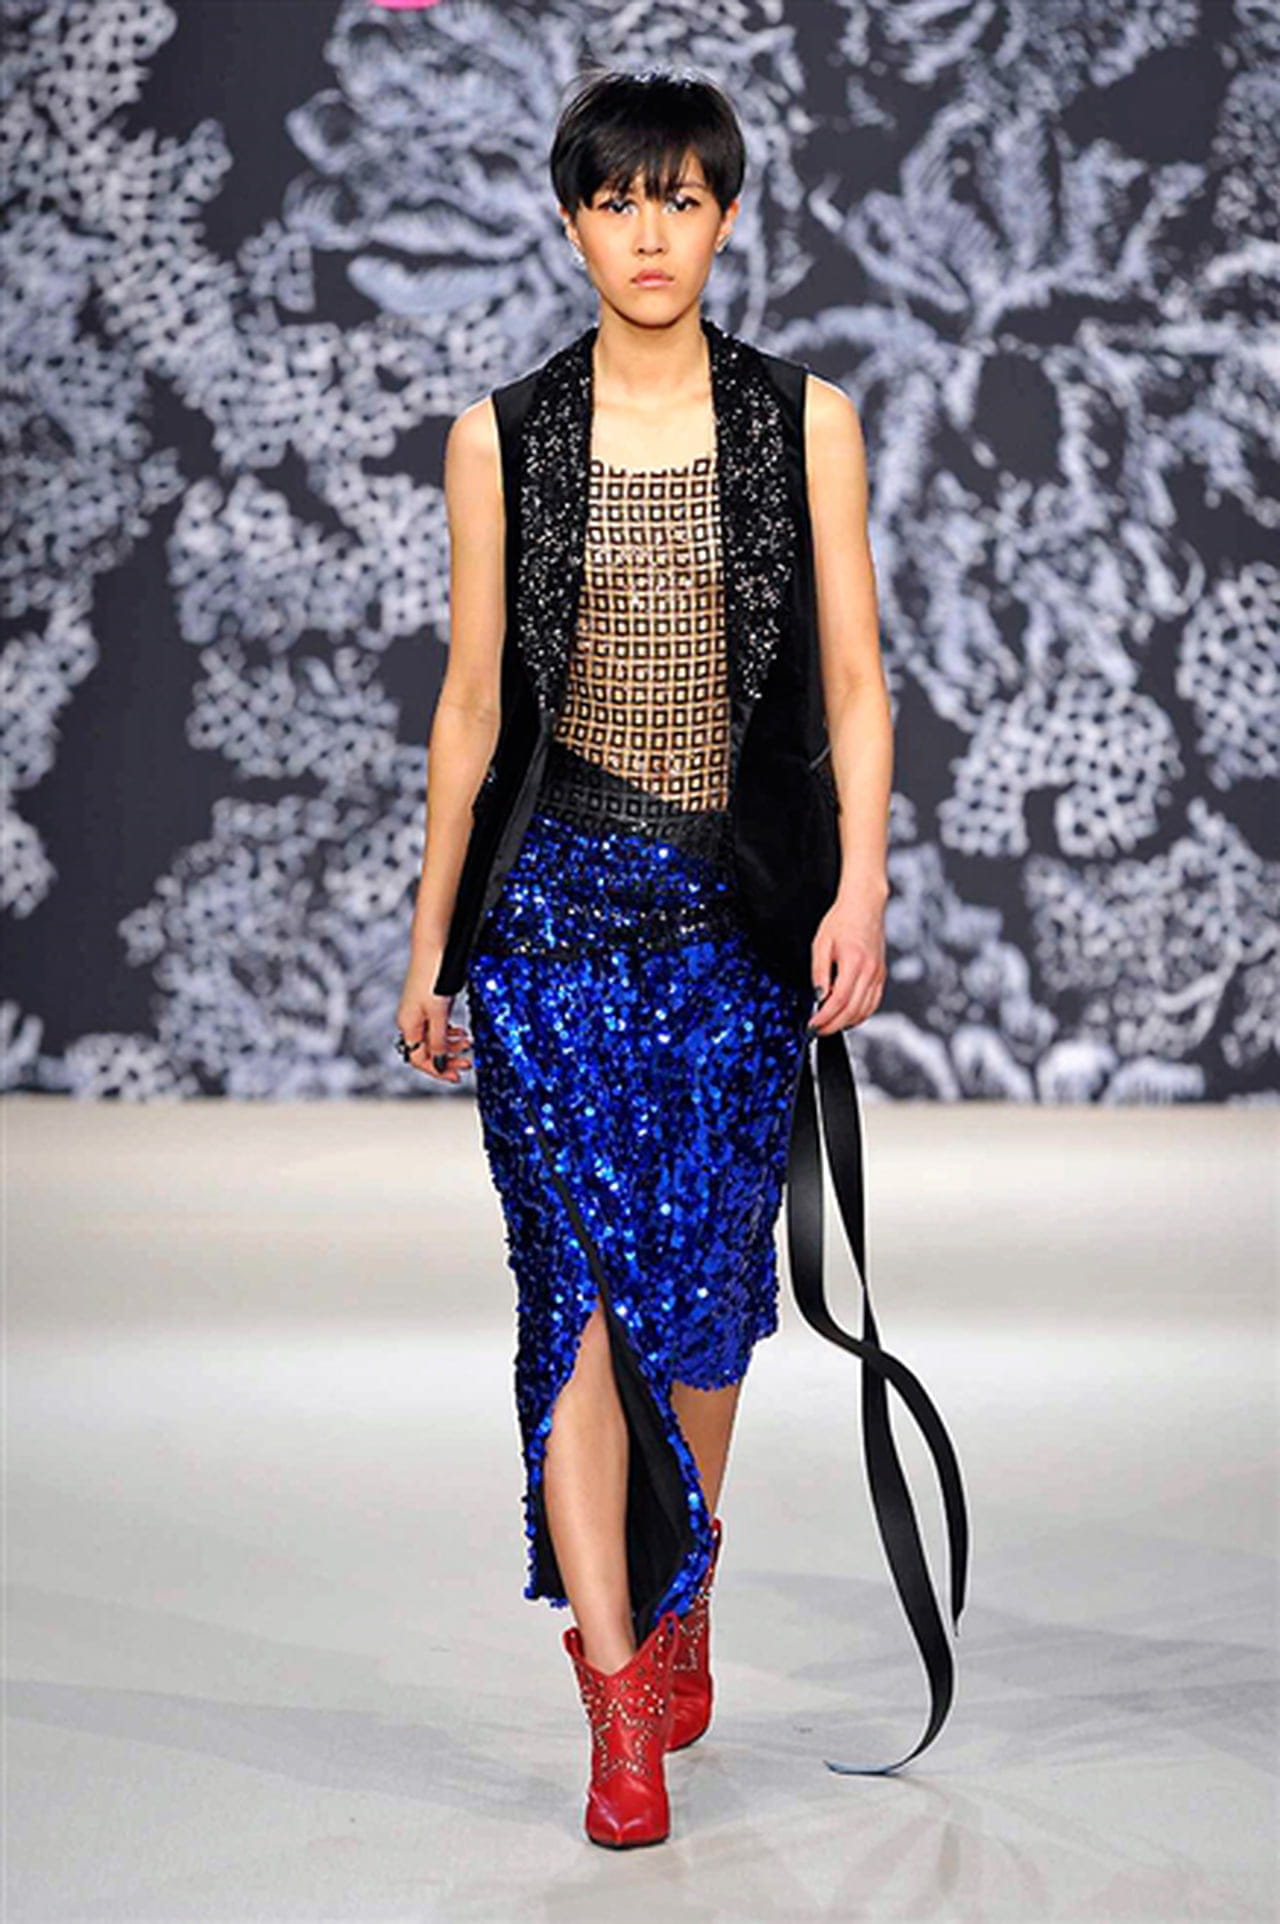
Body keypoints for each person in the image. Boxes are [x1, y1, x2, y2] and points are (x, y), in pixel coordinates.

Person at [395, 67, 892, 1849]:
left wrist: (861, 887)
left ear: (728, 217)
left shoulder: (805, 423)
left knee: (703, 1303)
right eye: (619, 202)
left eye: (682, 199)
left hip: (733, 924)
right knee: (576, 1297)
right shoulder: (503, 439)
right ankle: (617, 1695)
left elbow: (856, 683)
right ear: (572, 223)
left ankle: (681, 1584)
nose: (651, 233)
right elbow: (469, 711)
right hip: (548, 926)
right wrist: (434, 941)